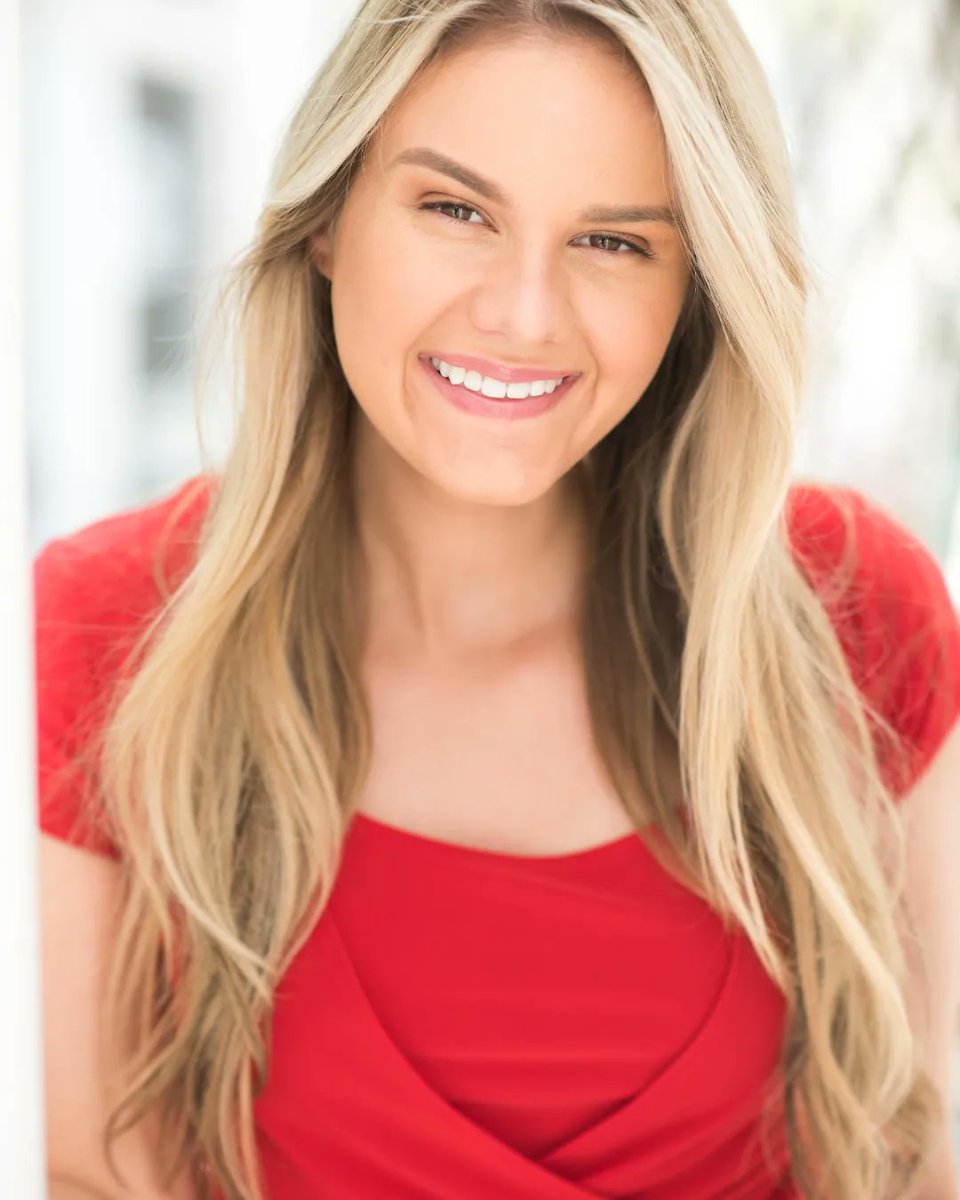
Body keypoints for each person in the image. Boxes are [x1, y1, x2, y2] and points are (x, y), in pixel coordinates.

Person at [34, 1, 960, 1198]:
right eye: (455, 210)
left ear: (696, 288)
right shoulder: (95, 633)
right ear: (327, 222)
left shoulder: (847, 610)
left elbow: (934, 1147)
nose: (524, 314)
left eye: (615, 242)